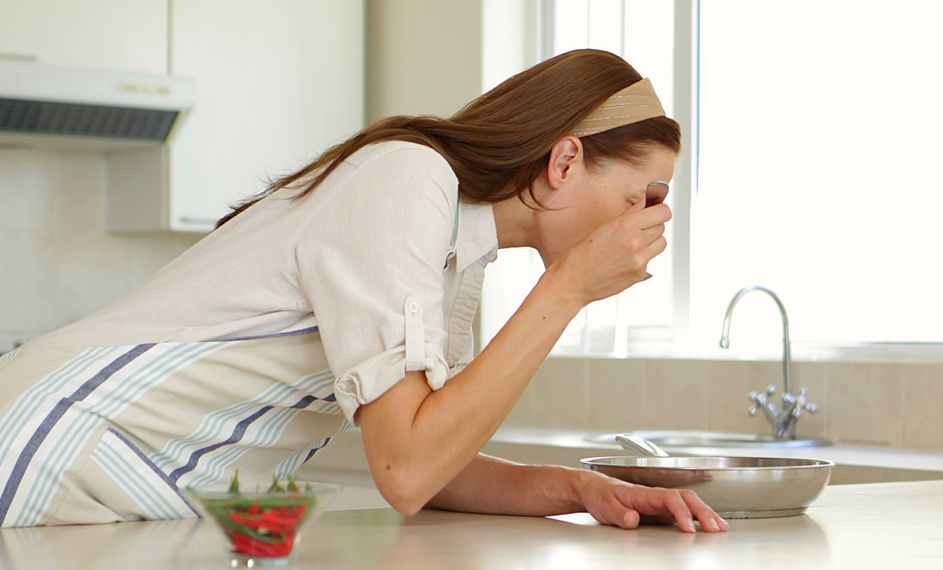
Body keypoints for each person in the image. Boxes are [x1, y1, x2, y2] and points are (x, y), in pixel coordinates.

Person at [0, 49, 727, 534]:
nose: (650, 221)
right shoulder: (408, 177)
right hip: (58, 443)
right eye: (643, 195)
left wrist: (579, 492)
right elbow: (405, 472)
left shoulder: (457, 258)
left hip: (143, 491)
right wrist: (567, 291)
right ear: (565, 161)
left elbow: (427, 461)